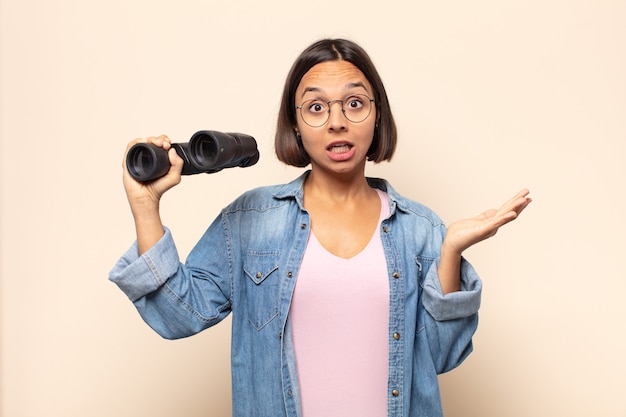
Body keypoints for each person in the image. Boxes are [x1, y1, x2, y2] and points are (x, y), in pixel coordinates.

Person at [109, 38, 531, 417]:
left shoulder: (419, 230)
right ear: (294, 124)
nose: (337, 122)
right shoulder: (250, 221)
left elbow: (442, 358)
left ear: (376, 115)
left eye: (354, 103)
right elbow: (176, 316)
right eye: (316, 107)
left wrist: (451, 253)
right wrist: (146, 207)